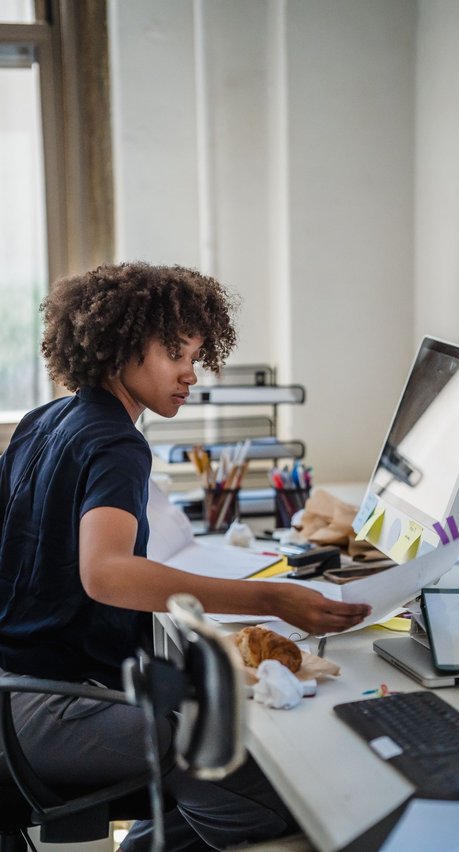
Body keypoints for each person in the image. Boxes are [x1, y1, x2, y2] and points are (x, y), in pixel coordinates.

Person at [0, 261, 371, 851]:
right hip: (49, 710)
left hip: (14, 694)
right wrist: (269, 597)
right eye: (176, 354)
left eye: (195, 357)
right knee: (282, 776)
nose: (189, 375)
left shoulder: (44, 421)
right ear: (121, 345)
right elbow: (106, 573)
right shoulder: (116, 441)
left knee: (218, 743)